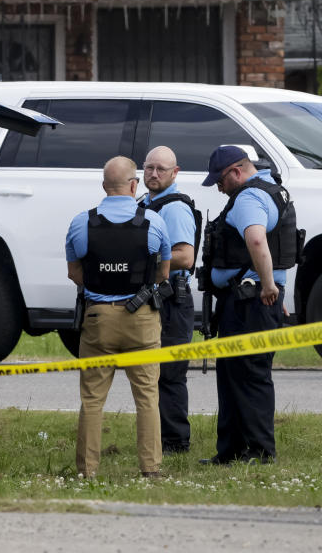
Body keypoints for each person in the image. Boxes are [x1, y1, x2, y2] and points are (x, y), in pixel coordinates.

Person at [65, 156, 172, 478]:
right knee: (147, 396)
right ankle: (151, 468)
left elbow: (74, 273)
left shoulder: (80, 222)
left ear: (103, 186)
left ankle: (88, 470)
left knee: (93, 399)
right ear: (134, 184)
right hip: (141, 317)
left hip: (98, 319)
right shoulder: (154, 221)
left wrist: (101, 286)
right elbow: (163, 272)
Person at [199, 146, 301, 465]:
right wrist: (275, 291)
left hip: (249, 300)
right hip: (252, 300)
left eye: (220, 179)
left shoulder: (248, 198)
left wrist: (268, 285)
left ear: (236, 172)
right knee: (232, 374)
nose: (218, 186)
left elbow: (257, 240)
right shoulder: (273, 189)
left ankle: (258, 451)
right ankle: (230, 450)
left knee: (250, 374)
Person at [140, 146, 198, 454]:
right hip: (153, 300)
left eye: (161, 169)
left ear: (175, 173)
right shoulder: (144, 203)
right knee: (152, 373)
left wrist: (144, 263)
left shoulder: (174, 208)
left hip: (173, 301)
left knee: (170, 375)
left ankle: (175, 443)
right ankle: (157, 439)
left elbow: (185, 257)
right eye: (149, 168)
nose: (153, 174)